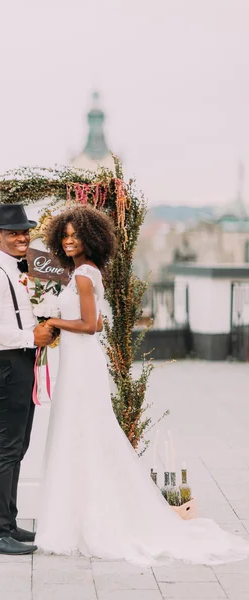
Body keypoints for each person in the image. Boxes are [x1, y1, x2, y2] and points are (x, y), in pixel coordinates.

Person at [35, 204, 249, 565]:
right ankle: (78, 514)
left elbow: (91, 325)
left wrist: (53, 319)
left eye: (76, 235)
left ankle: (82, 519)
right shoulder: (82, 273)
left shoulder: (85, 275)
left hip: (82, 363)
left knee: (83, 430)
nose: (70, 240)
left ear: (91, 238)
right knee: (80, 431)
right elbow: (94, 323)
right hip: (77, 361)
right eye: (65, 235)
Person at [0, 203, 54, 555]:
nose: (22, 238)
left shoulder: (20, 269)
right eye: (13, 233)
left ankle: (8, 522)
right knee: (6, 448)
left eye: (25, 232)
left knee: (17, 447)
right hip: (4, 365)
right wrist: (29, 338)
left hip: (20, 364)